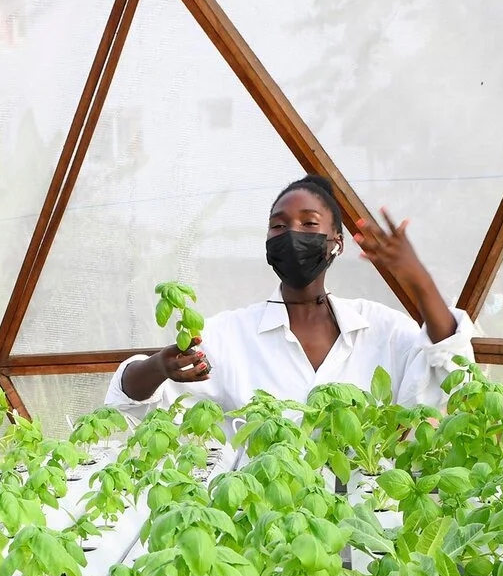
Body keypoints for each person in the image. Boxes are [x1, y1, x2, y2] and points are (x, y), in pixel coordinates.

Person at [106, 175, 475, 412]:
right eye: (278, 226)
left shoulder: (382, 329)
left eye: (309, 223)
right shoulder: (229, 334)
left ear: (336, 242)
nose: (292, 233)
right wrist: (158, 367)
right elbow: (127, 404)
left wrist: (419, 280)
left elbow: (454, 378)